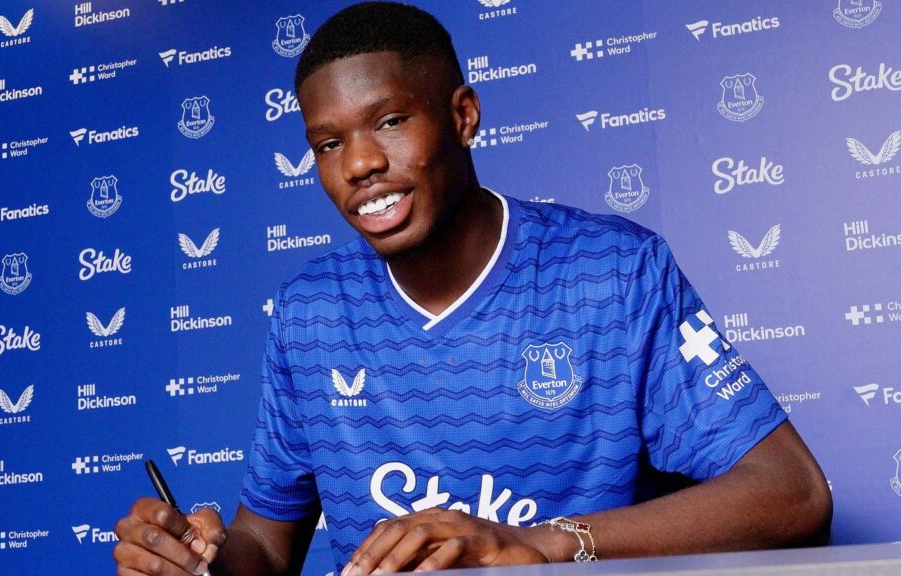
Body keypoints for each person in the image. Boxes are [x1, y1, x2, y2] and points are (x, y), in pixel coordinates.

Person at [113, 3, 832, 574]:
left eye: (390, 121)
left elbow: (793, 494)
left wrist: (542, 545)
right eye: (328, 143)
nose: (359, 164)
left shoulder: (611, 271)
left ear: (462, 116)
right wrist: (193, 560)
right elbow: (265, 551)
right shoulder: (311, 312)